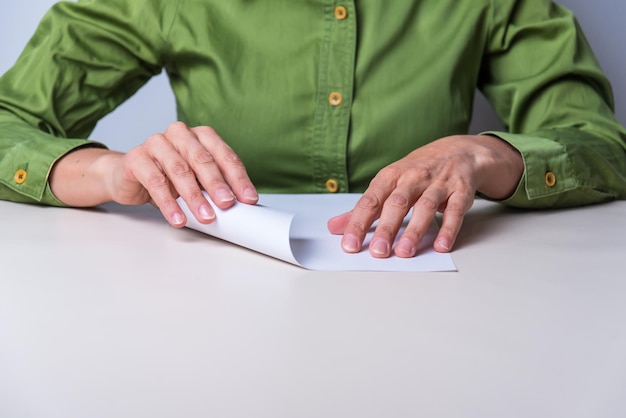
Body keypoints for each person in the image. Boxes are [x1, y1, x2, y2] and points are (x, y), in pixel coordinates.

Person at [1, 0, 625, 259]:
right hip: (206, 309)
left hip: (444, 305)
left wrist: (485, 152)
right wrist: (107, 170)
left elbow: (597, 141)